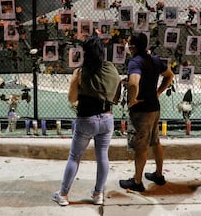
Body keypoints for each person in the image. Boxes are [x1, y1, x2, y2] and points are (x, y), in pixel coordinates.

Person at [52, 36, 121, 206]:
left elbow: (71, 98)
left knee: (75, 157)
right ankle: (98, 195)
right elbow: (117, 92)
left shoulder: (81, 72)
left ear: (85, 53)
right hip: (107, 119)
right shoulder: (111, 68)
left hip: (86, 120)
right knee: (103, 156)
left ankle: (63, 195)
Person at [119, 32, 174, 192]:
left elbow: (135, 82)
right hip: (154, 108)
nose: (128, 46)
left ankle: (137, 182)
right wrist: (158, 92)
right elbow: (169, 75)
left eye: (129, 44)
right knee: (155, 142)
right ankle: (158, 174)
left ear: (133, 46)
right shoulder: (155, 60)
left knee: (141, 147)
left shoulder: (135, 62)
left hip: (141, 111)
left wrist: (132, 100)